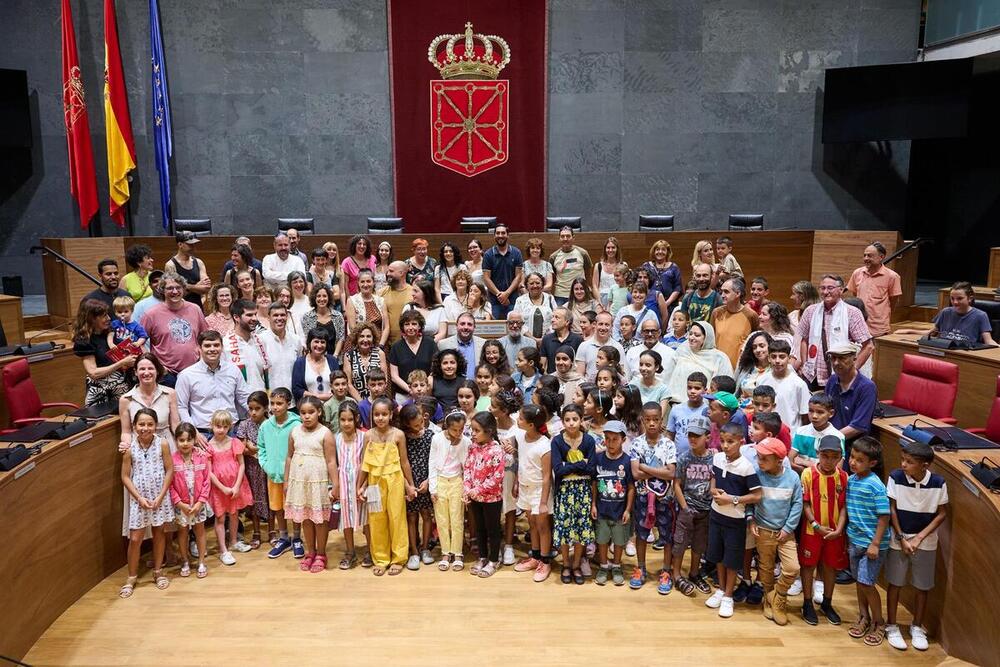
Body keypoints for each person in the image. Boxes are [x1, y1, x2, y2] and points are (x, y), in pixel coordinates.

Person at [885, 440, 948, 652]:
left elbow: (942, 513)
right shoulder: (895, 477)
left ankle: (917, 627)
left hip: (926, 542)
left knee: (923, 586)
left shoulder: (939, 483)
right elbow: (891, 509)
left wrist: (919, 538)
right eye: (903, 459)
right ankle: (891, 626)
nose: (903, 464)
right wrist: (902, 537)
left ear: (925, 465)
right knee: (895, 582)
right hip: (899, 539)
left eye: (909, 462)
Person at [705, 422, 762, 618]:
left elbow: (757, 495)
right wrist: (713, 490)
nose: (725, 445)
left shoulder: (746, 467)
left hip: (735, 521)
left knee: (731, 560)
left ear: (741, 442)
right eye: (722, 441)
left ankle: (729, 595)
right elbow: (713, 479)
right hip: (716, 516)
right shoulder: (718, 458)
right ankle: (721, 589)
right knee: (718, 556)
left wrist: (732, 499)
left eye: (730, 442)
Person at [357, 397, 417, 576]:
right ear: (372, 415)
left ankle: (399, 558)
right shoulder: (368, 435)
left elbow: (404, 462)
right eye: (377, 414)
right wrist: (360, 485)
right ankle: (381, 558)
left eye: (384, 414)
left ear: (391, 414)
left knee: (397, 518)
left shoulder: (398, 434)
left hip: (395, 481)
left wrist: (410, 485)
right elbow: (364, 463)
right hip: (374, 483)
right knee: (377, 520)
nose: (380, 418)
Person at [119, 408, 174, 598]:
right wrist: (139, 498)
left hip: (159, 497)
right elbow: (125, 476)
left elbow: (169, 470)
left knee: (159, 533)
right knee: (135, 539)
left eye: (150, 424)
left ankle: (158, 571)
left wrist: (160, 496)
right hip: (139, 500)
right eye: (141, 424)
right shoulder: (129, 449)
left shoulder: (163, 444)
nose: (145, 428)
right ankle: (132, 576)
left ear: (155, 426)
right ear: (134, 427)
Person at [283, 396, 339, 573]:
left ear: (319, 412)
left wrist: (335, 484)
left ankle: (321, 553)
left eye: (311, 412)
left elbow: (331, 461)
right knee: (306, 517)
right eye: (303, 413)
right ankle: (310, 552)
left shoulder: (325, 433)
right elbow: (290, 456)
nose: (307, 416)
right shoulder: (294, 431)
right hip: (299, 482)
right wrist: (286, 481)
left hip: (318, 482)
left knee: (319, 519)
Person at [845, 436, 892, 647]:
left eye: (859, 460)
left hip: (873, 544)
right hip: (855, 540)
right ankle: (863, 616)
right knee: (860, 581)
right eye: (852, 457)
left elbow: (884, 516)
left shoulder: (876, 485)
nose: (853, 462)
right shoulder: (851, 480)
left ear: (872, 463)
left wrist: (875, 543)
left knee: (867, 582)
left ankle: (878, 622)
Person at [751, 437, 803, 627]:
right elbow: (751, 500)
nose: (759, 461)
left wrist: (788, 528)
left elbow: (797, 504)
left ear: (779, 461)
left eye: (764, 458)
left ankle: (779, 596)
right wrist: (751, 521)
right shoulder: (756, 474)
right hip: (763, 530)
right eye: (758, 457)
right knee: (765, 567)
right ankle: (768, 594)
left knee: (792, 568)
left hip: (785, 533)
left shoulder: (792, 478)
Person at [799, 435, 849, 627]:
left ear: (840, 457)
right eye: (825, 455)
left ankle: (827, 603)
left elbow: (843, 507)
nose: (829, 460)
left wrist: (839, 529)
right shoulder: (808, 474)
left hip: (835, 533)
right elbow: (806, 503)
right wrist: (816, 526)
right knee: (808, 566)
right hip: (813, 531)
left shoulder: (843, 477)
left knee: (830, 567)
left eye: (834, 456)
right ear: (818, 454)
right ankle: (807, 603)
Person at [628, 403, 677, 593]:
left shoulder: (668, 444)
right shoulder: (637, 443)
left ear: (661, 420)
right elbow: (635, 473)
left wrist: (645, 468)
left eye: (655, 419)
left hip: (664, 498)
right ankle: (640, 567)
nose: (651, 423)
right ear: (642, 420)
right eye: (647, 420)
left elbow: (671, 473)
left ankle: (666, 570)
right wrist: (659, 471)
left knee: (666, 536)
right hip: (642, 496)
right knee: (641, 534)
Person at [796, 274, 873, 389]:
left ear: (841, 290)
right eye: (822, 288)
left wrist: (852, 370)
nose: (826, 292)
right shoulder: (810, 311)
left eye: (830, 288)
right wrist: (804, 363)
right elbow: (804, 339)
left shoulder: (852, 313)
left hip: (839, 376)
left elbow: (869, 346)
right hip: (812, 375)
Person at [551, 404, 596, 584]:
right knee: (564, 529)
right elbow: (557, 470)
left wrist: (567, 466)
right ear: (562, 421)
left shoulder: (589, 441)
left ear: (581, 420)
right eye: (567, 420)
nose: (571, 423)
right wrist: (580, 464)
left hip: (584, 492)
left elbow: (591, 469)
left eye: (575, 419)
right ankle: (566, 564)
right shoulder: (556, 441)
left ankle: (577, 564)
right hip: (563, 491)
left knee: (581, 529)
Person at [671, 414, 715, 596]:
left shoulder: (713, 458)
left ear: (708, 437)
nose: (693, 439)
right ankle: (676, 575)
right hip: (687, 508)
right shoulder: (683, 458)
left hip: (705, 509)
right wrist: (685, 508)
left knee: (699, 545)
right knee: (680, 543)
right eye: (690, 435)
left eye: (697, 435)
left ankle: (695, 573)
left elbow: (714, 479)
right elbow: (677, 484)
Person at [175, 331, 250, 435]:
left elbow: (244, 398)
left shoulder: (234, 370)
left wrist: (260, 416)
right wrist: (193, 433)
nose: (212, 349)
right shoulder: (186, 375)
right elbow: (181, 407)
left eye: (216, 345)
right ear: (199, 348)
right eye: (207, 346)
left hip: (232, 432)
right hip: (203, 434)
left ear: (222, 347)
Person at [258, 388, 303, 559]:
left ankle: (297, 537)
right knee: (278, 507)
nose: (275, 407)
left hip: (293, 477)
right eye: (272, 404)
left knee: (295, 507)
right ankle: (284, 537)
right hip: (273, 474)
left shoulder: (297, 424)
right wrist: (266, 465)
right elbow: (261, 448)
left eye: (279, 403)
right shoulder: (265, 426)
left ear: (288, 404)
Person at [140, 272, 208, 384]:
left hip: (194, 370)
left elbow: (204, 337)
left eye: (178, 288)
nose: (175, 291)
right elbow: (138, 343)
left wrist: (202, 359)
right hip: (166, 374)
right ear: (162, 290)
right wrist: (155, 365)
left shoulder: (195, 309)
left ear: (184, 289)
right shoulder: (151, 314)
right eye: (170, 288)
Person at [205, 410, 253, 565]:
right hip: (219, 489)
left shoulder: (234, 442)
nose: (221, 430)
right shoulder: (208, 447)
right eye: (218, 426)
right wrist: (223, 488)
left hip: (235, 486)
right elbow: (209, 471)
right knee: (220, 517)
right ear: (211, 426)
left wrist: (237, 485)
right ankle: (223, 550)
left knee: (234, 514)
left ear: (230, 427)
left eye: (225, 427)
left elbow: (241, 464)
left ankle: (233, 541)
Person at [512, 405, 554, 582]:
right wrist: (516, 482)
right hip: (525, 488)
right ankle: (535, 556)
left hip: (540, 491)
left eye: (521, 418)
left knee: (543, 526)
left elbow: (546, 477)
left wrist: (544, 502)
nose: (517, 420)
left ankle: (545, 560)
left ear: (530, 425)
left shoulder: (544, 445)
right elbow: (520, 461)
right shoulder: (521, 437)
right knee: (532, 525)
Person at [591, 420, 635, 586]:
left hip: (620, 510)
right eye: (607, 438)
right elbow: (594, 483)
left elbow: (631, 487)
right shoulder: (598, 458)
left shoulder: (627, 461)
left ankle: (616, 565)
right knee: (602, 540)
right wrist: (593, 504)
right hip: (602, 509)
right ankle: (603, 565)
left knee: (619, 541)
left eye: (614, 439)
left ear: (623, 440)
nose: (610, 443)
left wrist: (628, 510)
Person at [463, 411, 506, 577]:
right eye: (472, 430)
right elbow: (467, 468)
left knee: (492, 530)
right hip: (475, 497)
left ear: (488, 431)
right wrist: (467, 488)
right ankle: (482, 557)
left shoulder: (496, 450)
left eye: (476, 431)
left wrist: (477, 490)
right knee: (479, 528)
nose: (473, 434)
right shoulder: (472, 448)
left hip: (491, 498)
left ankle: (494, 560)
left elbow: (497, 477)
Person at [428, 410, 469, 571]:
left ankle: (457, 553)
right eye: (454, 430)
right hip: (440, 480)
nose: (458, 433)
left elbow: (467, 467)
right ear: (447, 426)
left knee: (457, 518)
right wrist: (433, 488)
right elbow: (432, 463)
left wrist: (466, 488)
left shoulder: (465, 441)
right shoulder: (437, 438)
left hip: (457, 481)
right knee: (442, 519)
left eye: (461, 429)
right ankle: (446, 552)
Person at [73, 299, 135, 406]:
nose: (109, 318)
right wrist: (122, 362)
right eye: (104, 316)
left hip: (121, 387)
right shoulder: (84, 340)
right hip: (100, 392)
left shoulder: (111, 333)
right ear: (92, 318)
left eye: (108, 315)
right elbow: (93, 373)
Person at [169, 422, 210, 579]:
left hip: (198, 504)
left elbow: (207, 481)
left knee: (200, 531)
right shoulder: (172, 460)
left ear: (194, 440)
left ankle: (201, 561)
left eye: (188, 439)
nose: (185, 443)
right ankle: (185, 560)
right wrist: (179, 503)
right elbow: (170, 485)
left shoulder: (201, 457)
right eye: (181, 440)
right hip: (182, 505)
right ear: (176, 441)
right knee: (183, 532)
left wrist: (200, 502)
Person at [334, 401, 371, 569]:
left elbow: (367, 462)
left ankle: (371, 550)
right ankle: (350, 551)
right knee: (346, 519)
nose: (346, 423)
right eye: (343, 419)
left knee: (368, 518)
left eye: (350, 419)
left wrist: (362, 485)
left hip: (364, 483)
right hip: (344, 484)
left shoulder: (365, 437)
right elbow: (333, 463)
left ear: (356, 418)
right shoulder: (335, 439)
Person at [118, 354, 179, 455]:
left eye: (150, 368)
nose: (146, 373)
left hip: (167, 448)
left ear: (157, 371)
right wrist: (126, 445)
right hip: (139, 450)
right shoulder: (125, 399)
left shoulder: (170, 393)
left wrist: (186, 444)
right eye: (142, 369)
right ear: (136, 372)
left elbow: (176, 426)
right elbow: (126, 432)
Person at [661, 321, 734, 404]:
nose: (692, 338)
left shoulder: (719, 358)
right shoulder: (682, 349)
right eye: (690, 334)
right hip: (673, 403)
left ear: (706, 338)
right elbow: (667, 376)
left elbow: (724, 388)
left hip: (704, 407)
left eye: (697, 335)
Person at [825, 342, 878, 453]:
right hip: (830, 443)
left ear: (854, 359)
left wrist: (828, 439)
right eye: (833, 358)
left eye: (841, 358)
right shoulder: (832, 380)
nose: (836, 363)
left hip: (853, 448)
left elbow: (858, 427)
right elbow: (825, 410)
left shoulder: (867, 387)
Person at [235, 391, 271, 549]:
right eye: (250, 408)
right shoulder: (244, 425)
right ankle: (256, 532)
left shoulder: (271, 424)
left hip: (268, 467)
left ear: (265, 408)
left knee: (271, 499)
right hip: (251, 467)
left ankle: (272, 531)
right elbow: (242, 447)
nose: (253, 412)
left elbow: (272, 446)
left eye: (257, 408)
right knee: (254, 500)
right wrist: (252, 447)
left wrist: (253, 447)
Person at [909, 281, 995, 345]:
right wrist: (909, 331)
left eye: (959, 298)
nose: (955, 302)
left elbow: (988, 341)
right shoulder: (945, 312)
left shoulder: (980, 315)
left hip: (965, 354)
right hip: (943, 350)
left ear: (970, 298)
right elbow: (932, 333)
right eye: (952, 298)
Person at [847, 242, 902, 337]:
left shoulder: (892, 276)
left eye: (870, 256)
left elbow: (893, 300)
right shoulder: (857, 273)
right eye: (865, 255)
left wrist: (883, 313)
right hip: (859, 325)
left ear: (881, 257)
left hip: (878, 328)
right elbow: (855, 296)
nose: (866, 258)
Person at [759, 339, 810, 431]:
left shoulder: (799, 384)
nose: (777, 361)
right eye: (774, 357)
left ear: (789, 358)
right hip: (766, 433)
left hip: (791, 435)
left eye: (782, 357)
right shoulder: (761, 380)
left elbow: (805, 416)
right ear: (769, 358)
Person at [388, 310, 438, 398]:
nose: (410, 327)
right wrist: (411, 390)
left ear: (420, 326)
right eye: (407, 324)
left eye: (414, 324)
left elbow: (435, 370)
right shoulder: (396, 347)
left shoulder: (430, 343)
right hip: (404, 395)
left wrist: (424, 389)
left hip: (427, 393)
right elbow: (394, 376)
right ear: (402, 327)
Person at [222, 300, 268, 394]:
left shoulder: (260, 342)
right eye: (249, 315)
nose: (255, 318)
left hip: (261, 399)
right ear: (236, 317)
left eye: (255, 314)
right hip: (237, 401)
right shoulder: (225, 344)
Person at [791, 393, 844, 473]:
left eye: (820, 412)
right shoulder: (800, 431)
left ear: (831, 413)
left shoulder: (837, 436)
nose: (814, 416)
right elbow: (791, 461)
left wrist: (804, 463)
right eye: (811, 411)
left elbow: (836, 469)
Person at [711, 278, 759, 367]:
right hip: (718, 366)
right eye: (721, 292)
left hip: (740, 368)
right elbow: (711, 340)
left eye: (726, 292)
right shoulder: (716, 313)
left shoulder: (751, 315)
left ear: (738, 293)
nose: (722, 295)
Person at [482, 223, 524, 319]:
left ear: (507, 235)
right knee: (494, 328)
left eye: (503, 233)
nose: (500, 235)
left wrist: (507, 294)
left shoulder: (516, 253)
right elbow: (486, 278)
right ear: (494, 236)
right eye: (498, 233)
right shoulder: (488, 254)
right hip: (494, 299)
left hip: (512, 299)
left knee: (513, 325)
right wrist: (499, 295)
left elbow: (518, 276)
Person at [261, 302, 302, 395]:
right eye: (275, 315)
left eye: (282, 315)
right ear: (268, 317)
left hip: (292, 399)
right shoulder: (260, 340)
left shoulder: (296, 340)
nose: (279, 318)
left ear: (287, 317)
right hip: (270, 401)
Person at [291, 328, 340, 404]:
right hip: (309, 409)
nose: (319, 345)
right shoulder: (300, 363)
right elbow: (297, 389)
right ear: (309, 342)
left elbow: (339, 383)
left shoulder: (332, 361)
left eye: (322, 342)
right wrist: (318, 397)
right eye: (316, 342)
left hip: (331, 407)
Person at [666, 372, 708, 458]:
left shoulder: (708, 411)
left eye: (697, 388)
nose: (692, 391)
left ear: (705, 390)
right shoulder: (676, 409)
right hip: (678, 458)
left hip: (700, 461)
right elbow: (670, 435)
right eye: (689, 388)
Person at [549, 226, 592, 306]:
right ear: (559, 238)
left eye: (568, 236)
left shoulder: (583, 253)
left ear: (573, 238)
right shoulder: (553, 257)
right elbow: (553, 277)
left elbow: (588, 274)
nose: (565, 239)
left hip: (579, 293)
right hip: (560, 295)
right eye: (562, 236)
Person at [164, 231, 211, 307]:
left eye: (194, 244)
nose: (193, 247)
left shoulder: (199, 262)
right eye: (190, 245)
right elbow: (175, 292)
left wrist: (186, 286)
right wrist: (197, 286)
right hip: (179, 308)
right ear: (180, 245)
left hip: (197, 306)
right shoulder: (170, 265)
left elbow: (205, 288)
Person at [576, 311, 625, 381]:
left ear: (612, 326)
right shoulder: (584, 346)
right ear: (595, 325)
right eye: (600, 324)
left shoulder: (618, 347)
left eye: (607, 325)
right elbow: (580, 374)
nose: (603, 328)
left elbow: (621, 373)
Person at [346, 268, 389, 348]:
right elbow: (353, 327)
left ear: (373, 282)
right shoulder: (352, 300)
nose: (365, 284)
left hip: (379, 343)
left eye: (368, 281)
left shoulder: (381, 300)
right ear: (358, 283)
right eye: (362, 282)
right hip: (358, 343)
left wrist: (381, 345)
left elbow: (386, 327)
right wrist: (364, 344)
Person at [643, 240, 683, 325]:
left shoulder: (674, 267)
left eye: (663, 249)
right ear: (654, 251)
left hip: (669, 305)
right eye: (657, 249)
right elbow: (641, 284)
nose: (660, 252)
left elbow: (677, 287)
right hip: (651, 305)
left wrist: (667, 303)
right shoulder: (646, 266)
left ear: (667, 252)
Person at [345, 322, 387, 401]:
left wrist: (374, 402)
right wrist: (363, 403)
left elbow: (385, 380)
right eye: (361, 336)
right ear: (356, 338)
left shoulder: (380, 353)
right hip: (357, 401)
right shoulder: (349, 356)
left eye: (368, 336)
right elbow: (348, 384)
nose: (365, 340)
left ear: (373, 338)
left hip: (377, 401)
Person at [300, 285, 345, 356]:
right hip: (315, 359)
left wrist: (335, 356)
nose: (321, 299)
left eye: (324, 296)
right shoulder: (307, 317)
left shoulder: (338, 316)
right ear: (314, 298)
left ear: (329, 297)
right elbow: (307, 339)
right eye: (318, 296)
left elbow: (341, 337)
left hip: (335, 358)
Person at [625, 318, 674, 384]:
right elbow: (627, 377)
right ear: (641, 333)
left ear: (659, 332)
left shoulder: (670, 353)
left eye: (653, 331)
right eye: (646, 331)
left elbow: (671, 380)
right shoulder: (632, 352)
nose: (650, 334)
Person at [438, 312, 485, 380]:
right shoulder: (443, 344)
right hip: (453, 386)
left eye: (469, 324)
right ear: (456, 326)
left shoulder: (483, 344)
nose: (466, 327)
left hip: (478, 386)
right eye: (462, 324)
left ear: (474, 327)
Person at [514, 273, 557, 344]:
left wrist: (545, 338)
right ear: (526, 286)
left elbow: (556, 319)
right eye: (531, 283)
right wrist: (533, 339)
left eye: (538, 283)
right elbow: (517, 321)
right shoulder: (520, 300)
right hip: (525, 341)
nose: (535, 286)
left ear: (542, 284)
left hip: (549, 341)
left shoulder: (550, 298)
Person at [540, 307, 583, 373]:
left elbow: (579, 365)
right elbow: (543, 365)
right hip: (552, 380)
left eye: (557, 317)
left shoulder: (578, 339)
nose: (552, 320)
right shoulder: (546, 339)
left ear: (567, 322)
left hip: (572, 379)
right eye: (553, 317)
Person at [379, 261, 411, 345]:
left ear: (401, 273)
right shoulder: (381, 293)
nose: (388, 274)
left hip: (408, 342)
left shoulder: (413, 292)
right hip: (385, 343)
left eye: (391, 271)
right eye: (388, 271)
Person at [735, 330, 772, 401]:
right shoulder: (746, 367)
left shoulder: (776, 368)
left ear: (770, 346)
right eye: (754, 347)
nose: (758, 350)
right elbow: (736, 391)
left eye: (762, 346)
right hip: (741, 408)